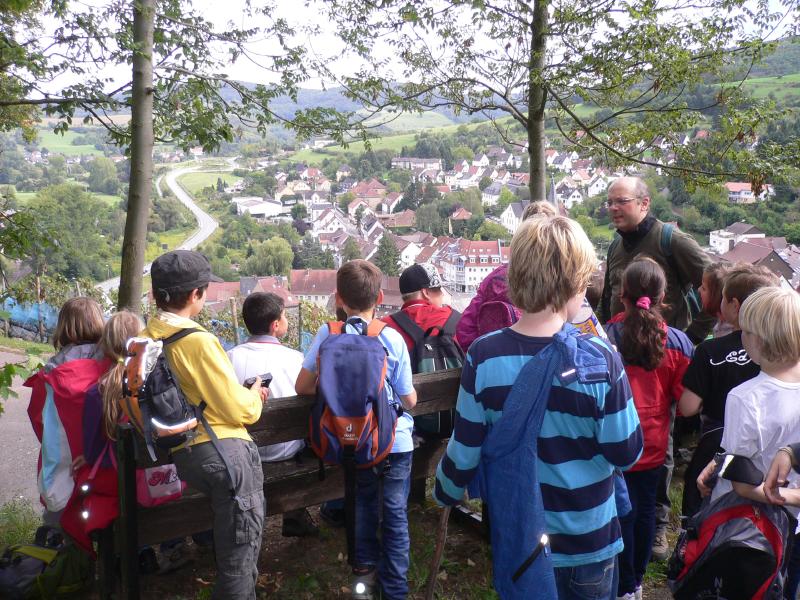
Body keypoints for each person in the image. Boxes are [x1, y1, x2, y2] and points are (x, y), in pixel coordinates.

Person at [434, 216, 643, 600]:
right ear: (575, 286)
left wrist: (445, 490)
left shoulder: (484, 355)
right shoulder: (599, 358)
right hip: (589, 541)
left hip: (522, 542)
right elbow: (626, 452)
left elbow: (464, 449)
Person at [597, 176, 713, 561]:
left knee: (659, 446)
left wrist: (690, 337)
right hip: (619, 355)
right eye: (610, 202)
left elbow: (713, 285)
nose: (613, 208)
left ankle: (657, 526)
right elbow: (607, 300)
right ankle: (619, 523)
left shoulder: (671, 240)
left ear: (644, 203)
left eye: (621, 201)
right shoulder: (616, 245)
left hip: (661, 360)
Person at [144, 250, 268, 600]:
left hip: (184, 453)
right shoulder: (197, 341)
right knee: (239, 558)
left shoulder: (144, 339)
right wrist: (254, 397)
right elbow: (236, 408)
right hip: (225, 454)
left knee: (238, 554)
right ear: (195, 294)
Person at [296, 260, 417, 600]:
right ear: (379, 298)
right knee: (395, 516)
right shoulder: (391, 337)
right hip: (394, 443)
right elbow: (408, 399)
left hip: (355, 443)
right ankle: (396, 590)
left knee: (362, 508)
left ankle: (364, 583)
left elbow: (302, 387)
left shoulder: (328, 334)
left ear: (338, 298)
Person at [695, 286, 800, 598]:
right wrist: (718, 461)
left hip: (746, 526)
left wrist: (787, 496)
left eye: (745, 330)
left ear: (759, 341)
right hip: (791, 526)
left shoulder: (744, 397)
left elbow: (741, 482)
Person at [604, 258, 693, 600]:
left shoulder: (605, 336)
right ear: (662, 296)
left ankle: (617, 579)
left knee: (614, 511)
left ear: (622, 294)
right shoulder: (679, 343)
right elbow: (685, 402)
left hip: (612, 441)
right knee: (643, 512)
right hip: (652, 445)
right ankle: (635, 583)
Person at [679, 264, 779, 517]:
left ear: (734, 305)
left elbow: (688, 407)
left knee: (703, 510)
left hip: (716, 445)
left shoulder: (710, 351)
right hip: (770, 453)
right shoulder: (782, 355)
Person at [227, 292, 318, 538]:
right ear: (275, 325)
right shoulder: (296, 359)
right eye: (285, 316)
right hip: (285, 451)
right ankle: (294, 514)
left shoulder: (229, 358)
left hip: (244, 453)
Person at [457, 201, 605, 350]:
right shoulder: (566, 277)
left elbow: (465, 329)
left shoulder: (495, 278)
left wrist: (483, 352)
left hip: (498, 353)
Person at [25, 297, 107, 527]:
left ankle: (58, 538)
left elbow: (39, 419)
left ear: (63, 326)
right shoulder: (112, 364)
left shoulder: (51, 373)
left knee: (60, 515)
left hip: (65, 464)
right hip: (103, 458)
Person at [699, 262, 733, 338]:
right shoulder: (721, 324)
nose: (699, 289)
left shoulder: (728, 334)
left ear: (717, 297)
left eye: (704, 288)